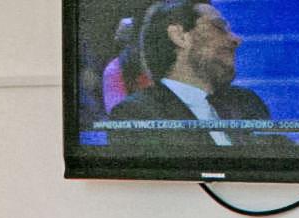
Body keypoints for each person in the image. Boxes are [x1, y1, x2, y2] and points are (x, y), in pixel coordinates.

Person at [106, 2, 271, 150]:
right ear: (180, 36)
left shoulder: (247, 102)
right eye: (219, 27)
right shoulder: (136, 113)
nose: (236, 39)